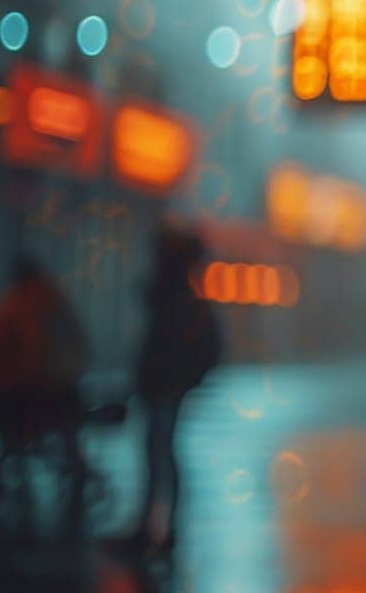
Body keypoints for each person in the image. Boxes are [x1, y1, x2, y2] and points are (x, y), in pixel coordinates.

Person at [121, 225, 220, 554]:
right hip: (163, 387)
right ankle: (157, 527)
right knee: (158, 454)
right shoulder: (179, 299)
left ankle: (159, 528)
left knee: (159, 453)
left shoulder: (180, 302)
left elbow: (180, 347)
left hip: (164, 388)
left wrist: (173, 379)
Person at [0, 254, 91, 525]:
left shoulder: (15, 305)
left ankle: (20, 484)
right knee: (62, 433)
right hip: (59, 388)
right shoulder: (56, 301)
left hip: (24, 390)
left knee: (16, 439)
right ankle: (76, 474)